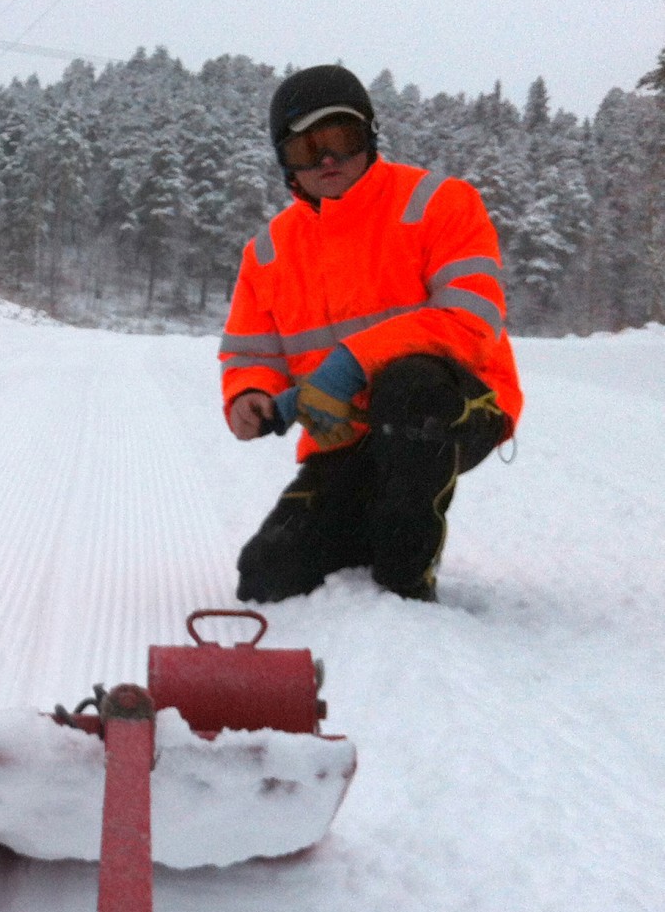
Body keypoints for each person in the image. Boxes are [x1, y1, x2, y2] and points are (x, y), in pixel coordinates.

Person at [221, 64, 523, 603]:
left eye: (341, 139)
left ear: (370, 137)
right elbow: (251, 352)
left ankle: (405, 582)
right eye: (306, 148)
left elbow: (471, 318)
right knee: (267, 574)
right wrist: (251, 395)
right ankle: (365, 529)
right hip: (346, 434)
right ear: (283, 161)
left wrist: (348, 364)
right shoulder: (267, 250)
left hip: (458, 405)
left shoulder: (440, 202)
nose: (328, 159)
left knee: (409, 390)